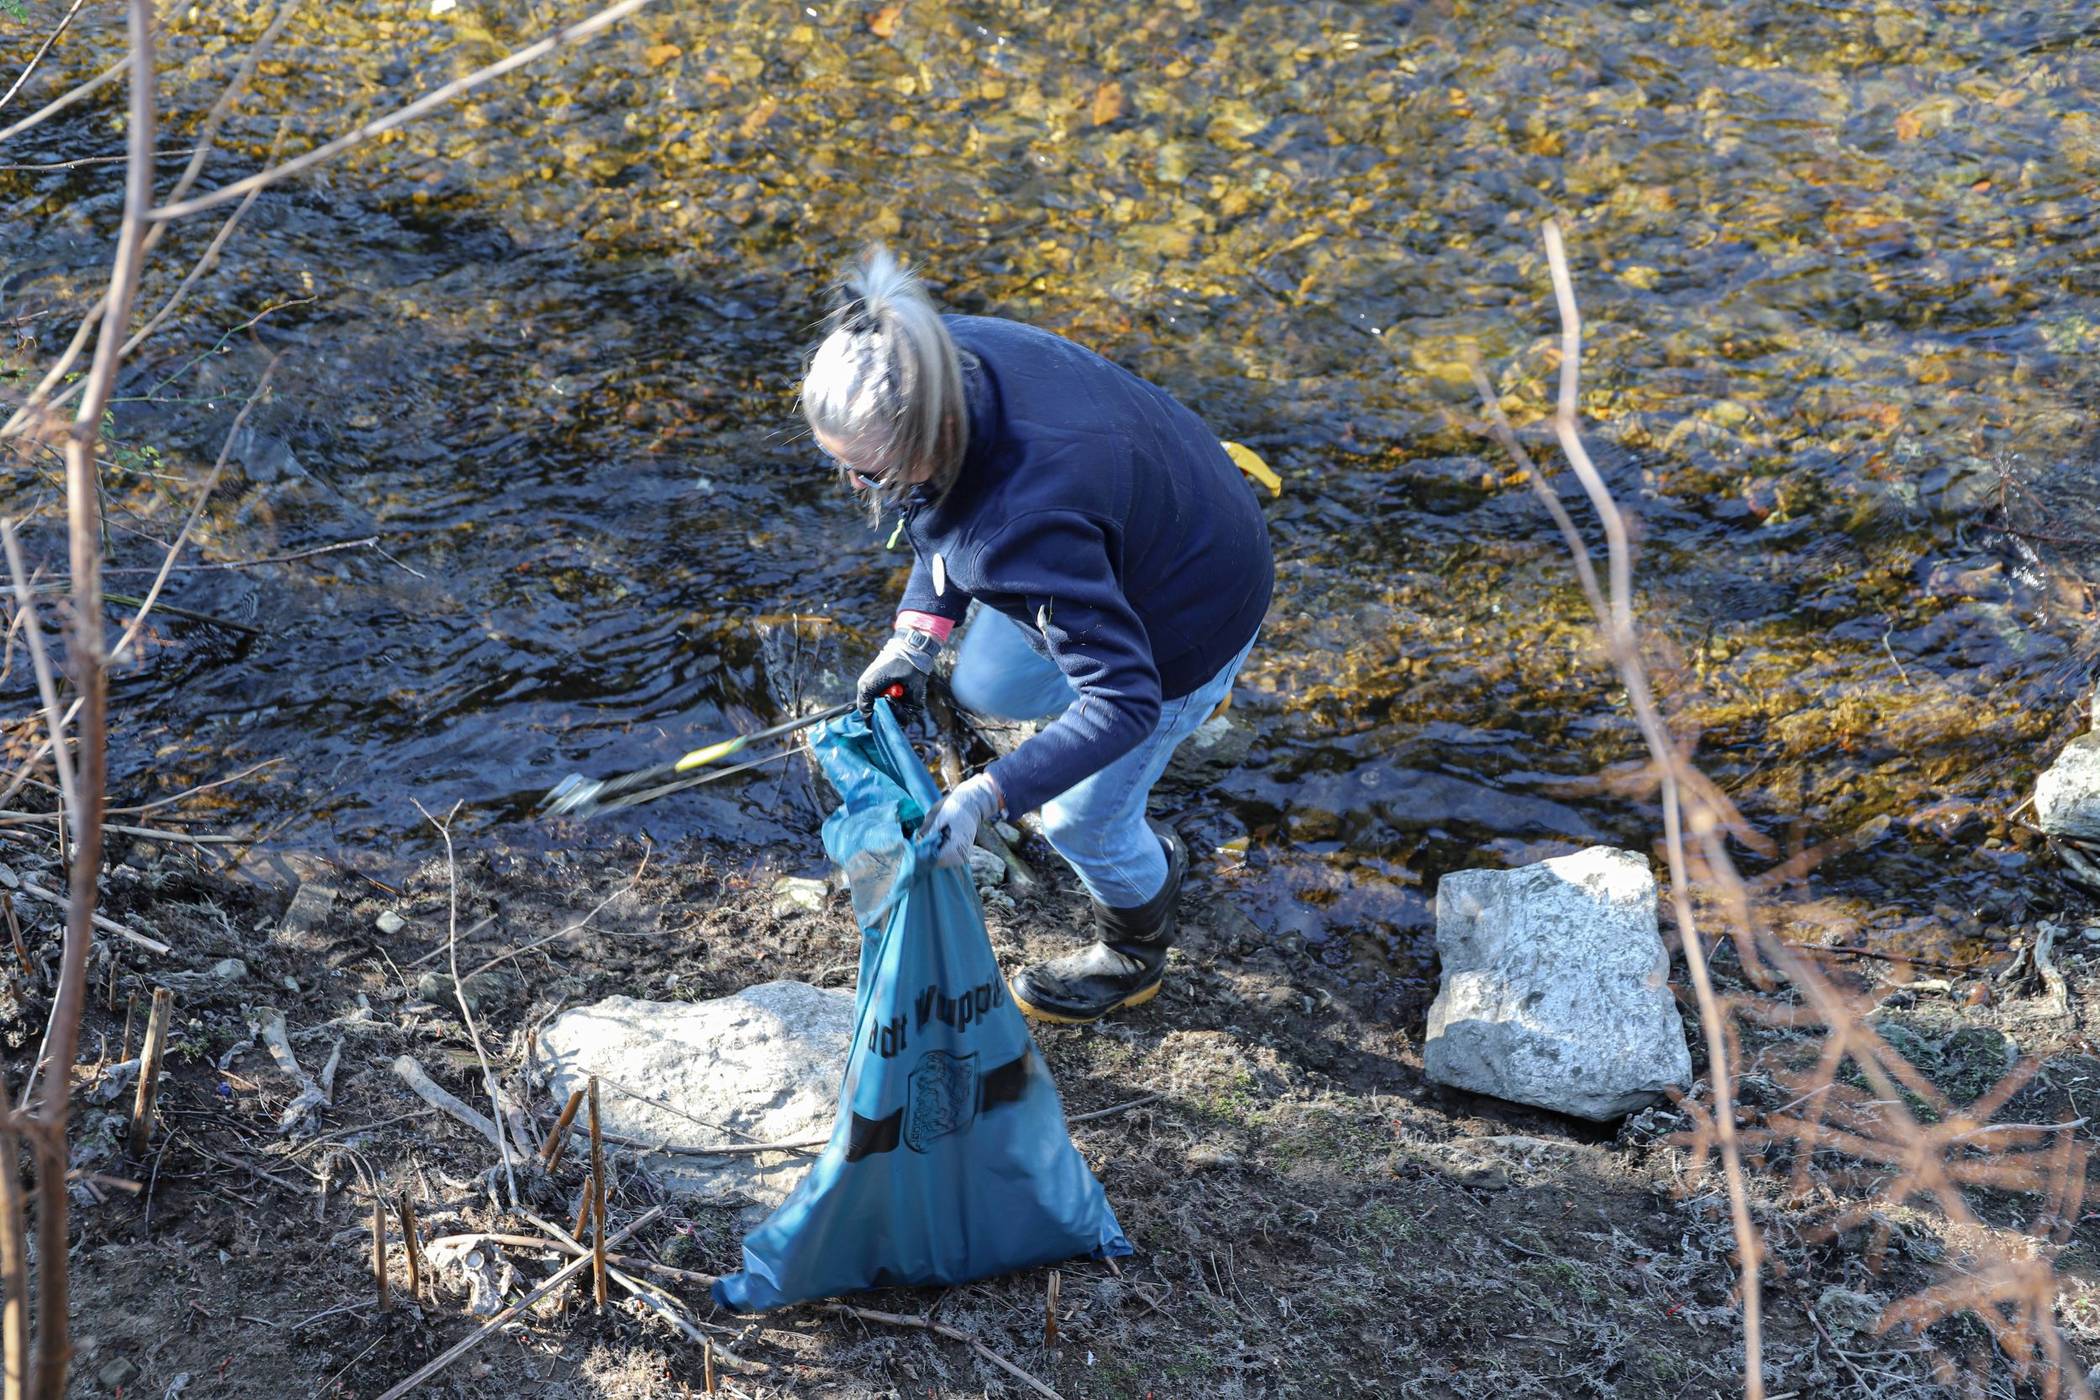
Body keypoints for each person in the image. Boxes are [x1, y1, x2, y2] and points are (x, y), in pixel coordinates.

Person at [802, 248, 1273, 1025]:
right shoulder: (923, 353)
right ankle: (1103, 737)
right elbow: (936, 515)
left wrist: (989, 795)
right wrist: (917, 634)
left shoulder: (1024, 524)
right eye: (841, 465)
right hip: (1161, 506)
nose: (857, 487)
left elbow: (1124, 699)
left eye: (872, 474)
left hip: (1192, 615)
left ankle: (1134, 951)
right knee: (983, 686)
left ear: (934, 435)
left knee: (1078, 822)